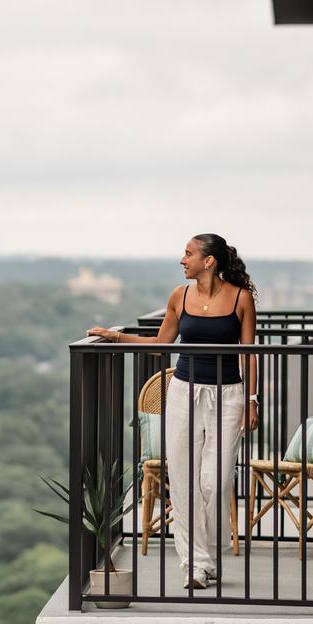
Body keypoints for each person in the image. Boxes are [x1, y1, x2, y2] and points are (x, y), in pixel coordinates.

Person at [87, 234, 258, 588]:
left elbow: (250, 353)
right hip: (182, 393)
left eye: (188, 254)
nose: (182, 260)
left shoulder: (241, 298)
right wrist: (116, 336)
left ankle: (207, 555)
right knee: (181, 481)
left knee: (216, 479)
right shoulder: (179, 296)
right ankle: (195, 566)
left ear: (208, 261)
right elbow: (161, 343)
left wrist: (252, 400)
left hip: (228, 396)